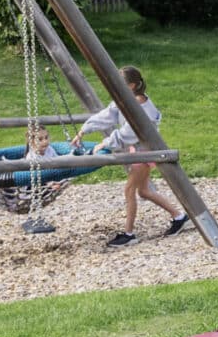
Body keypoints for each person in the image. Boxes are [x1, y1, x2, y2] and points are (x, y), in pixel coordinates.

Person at [77, 65, 187, 246]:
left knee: (129, 190)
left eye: (120, 84)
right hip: (139, 151)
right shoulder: (124, 100)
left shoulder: (143, 108)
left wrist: (105, 143)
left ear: (133, 86)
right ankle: (179, 216)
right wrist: (83, 130)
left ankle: (129, 234)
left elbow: (129, 133)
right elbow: (107, 115)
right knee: (143, 191)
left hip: (145, 153)